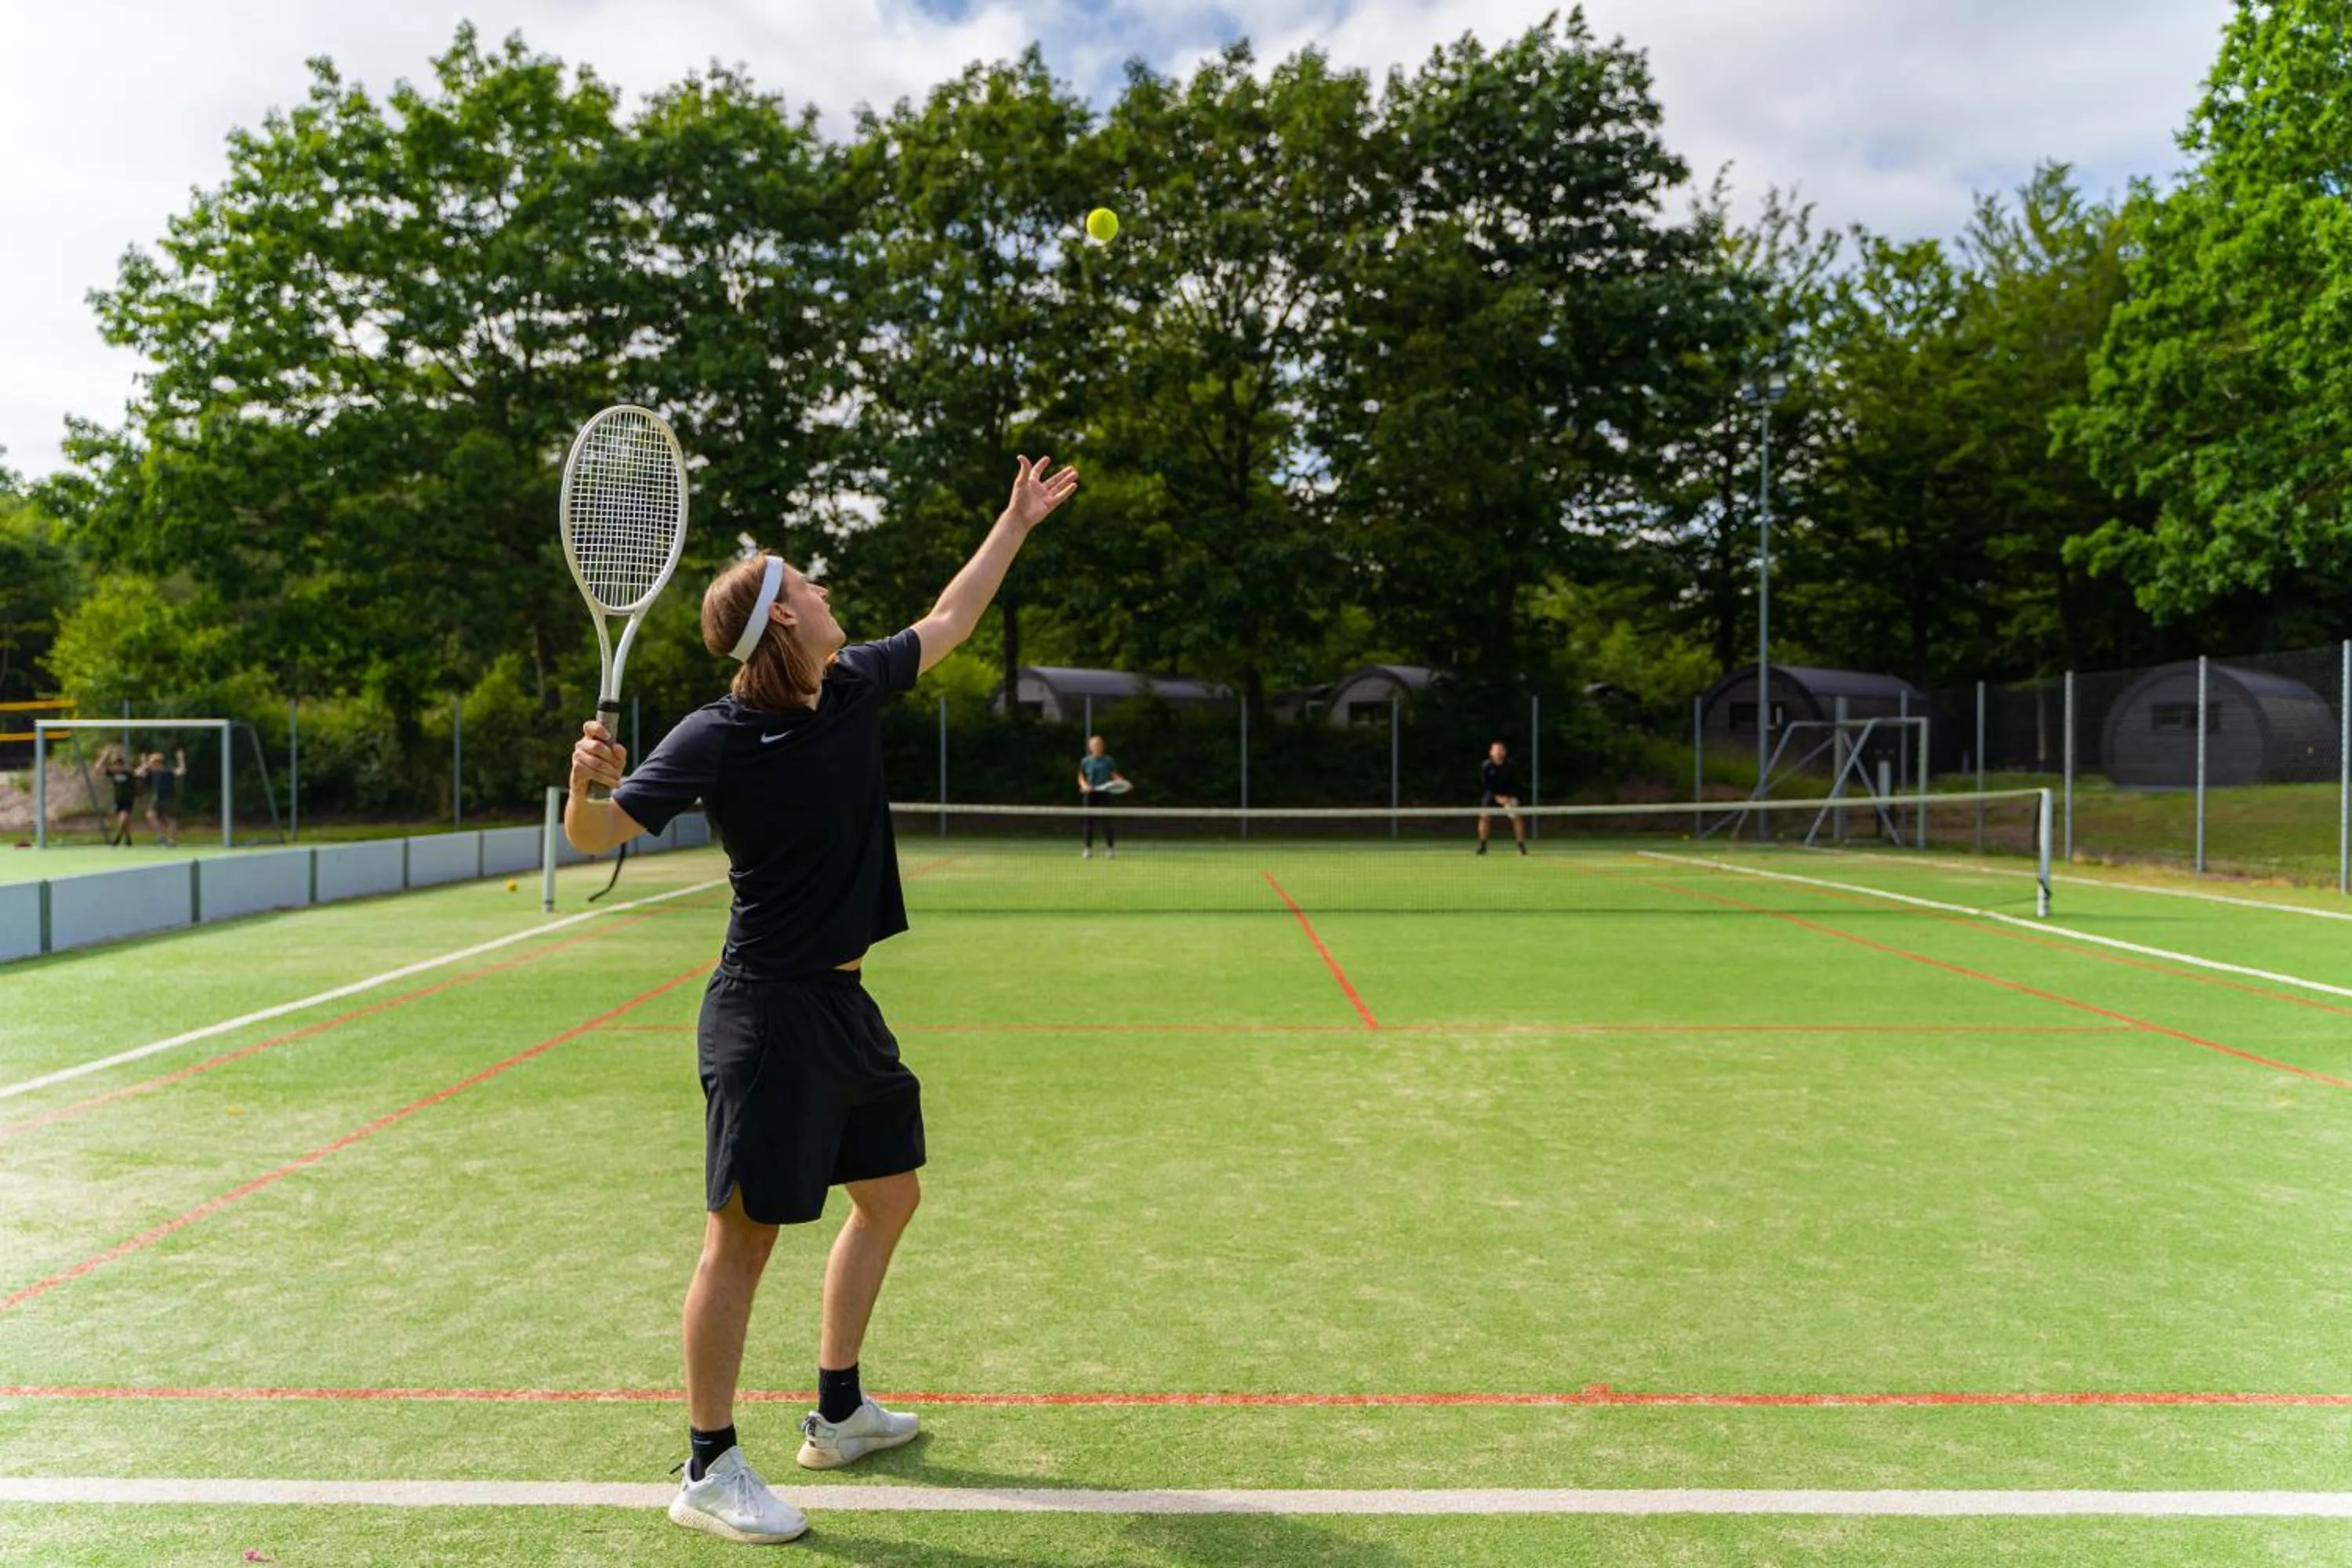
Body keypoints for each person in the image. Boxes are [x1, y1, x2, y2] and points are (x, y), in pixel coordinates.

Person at [565, 455, 1078, 1546]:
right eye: (815, 582)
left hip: (846, 1007)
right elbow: (595, 837)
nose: (833, 591)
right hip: (766, 1014)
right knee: (741, 1245)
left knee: (890, 1196)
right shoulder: (719, 734)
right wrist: (583, 781)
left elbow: (951, 616)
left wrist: (1014, 519)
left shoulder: (848, 687)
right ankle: (708, 1466)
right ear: (785, 614)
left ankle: (837, 1411)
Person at [1074, 734, 1127, 859]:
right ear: (1090, 747)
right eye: (1095, 745)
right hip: (1090, 794)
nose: (1097, 746)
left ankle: (1110, 849)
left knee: (1106, 822)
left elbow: (1114, 775)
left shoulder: (1108, 760)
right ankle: (1088, 849)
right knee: (1089, 822)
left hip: (1105, 794)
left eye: (1099, 744)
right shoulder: (1085, 761)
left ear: (1103, 746)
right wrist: (1085, 786)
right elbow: (1081, 776)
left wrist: (1123, 782)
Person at [1477, 740, 1527, 855]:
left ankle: (1521, 846)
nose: (1498, 753)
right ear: (1491, 752)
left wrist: (1508, 798)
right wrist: (1496, 797)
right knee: (1483, 817)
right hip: (1491, 796)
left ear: (1504, 752)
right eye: (1496, 750)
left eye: (1501, 750)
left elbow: (1515, 784)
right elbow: (1486, 786)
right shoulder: (1486, 766)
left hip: (1508, 796)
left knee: (1517, 816)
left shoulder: (1511, 766)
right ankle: (1482, 846)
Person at [142, 749, 186, 848]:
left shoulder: (167, 771)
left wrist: (181, 759)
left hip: (168, 798)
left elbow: (181, 771)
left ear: (158, 763)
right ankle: (160, 836)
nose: (151, 766)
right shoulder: (152, 773)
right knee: (150, 815)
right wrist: (144, 764)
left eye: (153, 763)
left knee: (171, 819)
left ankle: (172, 839)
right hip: (157, 798)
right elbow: (138, 773)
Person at [99, 746, 136, 848]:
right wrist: (104, 756)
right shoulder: (112, 774)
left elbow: (137, 780)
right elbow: (98, 768)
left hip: (127, 800)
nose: (117, 767)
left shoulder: (128, 775)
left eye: (119, 765)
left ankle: (118, 837)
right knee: (124, 821)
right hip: (117, 800)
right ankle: (128, 838)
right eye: (115, 765)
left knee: (124, 818)